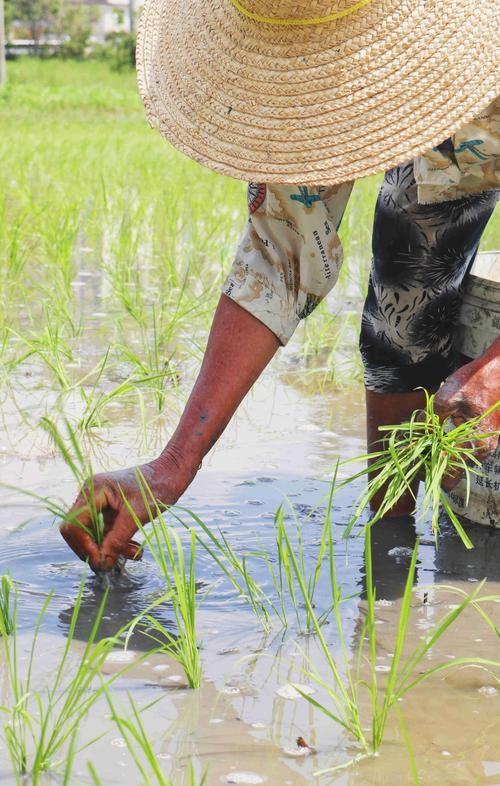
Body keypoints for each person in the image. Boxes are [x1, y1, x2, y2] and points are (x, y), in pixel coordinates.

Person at [61, 0, 500, 571]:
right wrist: (172, 465)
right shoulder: (300, 45)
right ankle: (391, 539)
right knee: (402, 305)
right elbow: (281, 254)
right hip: (462, 146)